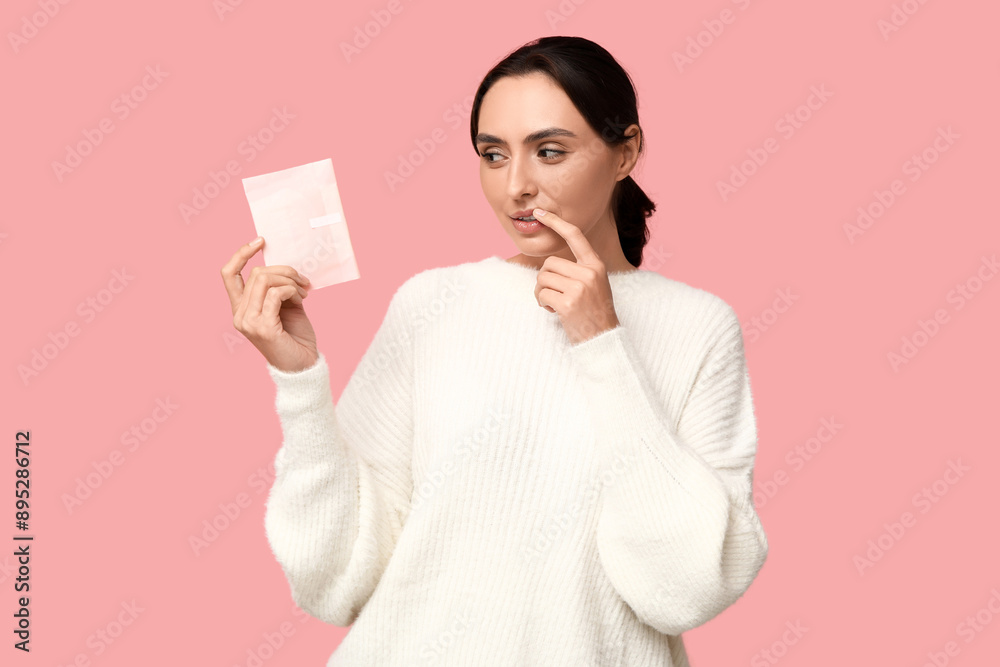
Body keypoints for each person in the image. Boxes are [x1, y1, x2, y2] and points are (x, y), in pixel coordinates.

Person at [221, 35, 768, 667]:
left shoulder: (698, 327)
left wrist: (602, 344)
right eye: (492, 155)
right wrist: (301, 384)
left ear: (627, 152)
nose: (516, 186)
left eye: (550, 151)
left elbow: (685, 589)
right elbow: (336, 580)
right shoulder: (435, 303)